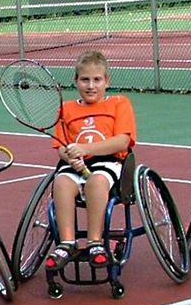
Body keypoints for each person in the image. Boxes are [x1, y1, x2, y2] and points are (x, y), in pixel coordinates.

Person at [44, 51, 136, 271]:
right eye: (85, 79)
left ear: (107, 81)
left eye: (97, 80)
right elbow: (61, 147)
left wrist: (85, 149)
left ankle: (95, 242)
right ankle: (67, 243)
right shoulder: (66, 110)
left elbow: (122, 142)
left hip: (109, 164)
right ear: (76, 81)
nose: (91, 86)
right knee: (62, 183)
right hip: (74, 166)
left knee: (96, 181)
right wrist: (71, 156)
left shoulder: (119, 104)